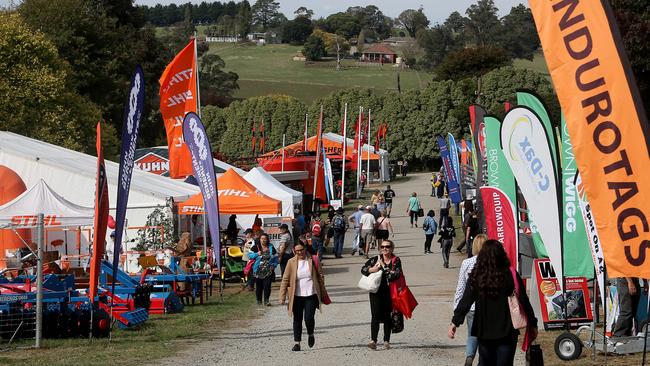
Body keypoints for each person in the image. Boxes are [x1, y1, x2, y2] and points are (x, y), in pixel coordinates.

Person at [449, 240, 538, 366]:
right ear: (501, 254)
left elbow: (466, 300)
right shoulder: (510, 274)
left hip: (484, 329)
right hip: (507, 329)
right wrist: (532, 322)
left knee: (485, 362)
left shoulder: (477, 276)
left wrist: (455, 322)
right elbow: (523, 299)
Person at [279, 243, 328, 351]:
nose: (299, 252)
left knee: (309, 318)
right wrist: (282, 296)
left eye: (301, 250)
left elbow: (320, 275)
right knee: (297, 319)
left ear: (305, 249)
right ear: (294, 251)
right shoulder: (291, 262)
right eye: (297, 251)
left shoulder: (313, 259)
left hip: (311, 294)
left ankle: (310, 334)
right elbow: (285, 279)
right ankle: (297, 342)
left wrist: (322, 290)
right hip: (296, 296)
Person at [453, 234, 488, 366]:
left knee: (472, 334)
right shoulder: (492, 263)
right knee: (486, 336)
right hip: (487, 305)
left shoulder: (467, 263)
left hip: (471, 307)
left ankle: (470, 356)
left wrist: (457, 307)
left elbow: (461, 286)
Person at [361, 239, 402, 350]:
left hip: (390, 292)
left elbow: (395, 275)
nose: (384, 248)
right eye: (382, 246)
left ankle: (386, 341)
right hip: (375, 291)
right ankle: (373, 340)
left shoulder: (396, 260)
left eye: (387, 246)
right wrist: (372, 269)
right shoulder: (375, 259)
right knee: (375, 315)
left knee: (387, 316)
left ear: (392, 248)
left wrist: (384, 266)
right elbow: (363, 269)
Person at [249, 233, 279, 306]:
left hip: (268, 270)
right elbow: (249, 255)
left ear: (267, 239)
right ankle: (259, 300)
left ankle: (266, 300)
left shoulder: (271, 247)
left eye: (265, 239)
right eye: (262, 239)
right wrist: (257, 254)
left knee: (267, 286)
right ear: (260, 239)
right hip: (257, 270)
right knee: (259, 286)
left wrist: (274, 265)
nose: (263, 240)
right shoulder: (255, 247)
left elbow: (276, 257)